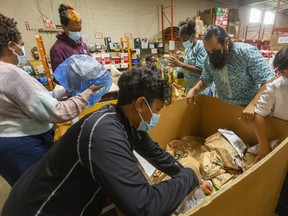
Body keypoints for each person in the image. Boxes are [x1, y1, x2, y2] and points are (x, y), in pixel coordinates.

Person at [2, 65, 212, 216]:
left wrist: (190, 176)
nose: (156, 116)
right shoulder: (104, 134)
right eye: (156, 110)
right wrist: (188, 177)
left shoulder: (124, 120)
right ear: (140, 104)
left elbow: (155, 153)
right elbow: (144, 206)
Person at [0, 13, 102, 186]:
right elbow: (57, 111)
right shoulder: (11, 73)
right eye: (22, 45)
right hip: (22, 144)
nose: (23, 49)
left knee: (25, 188)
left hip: (9, 144)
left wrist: (65, 90)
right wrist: (88, 92)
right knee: (42, 187)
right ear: (11, 46)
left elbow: (33, 99)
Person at [186, 25, 275, 124]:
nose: (211, 54)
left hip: (248, 111)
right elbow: (206, 79)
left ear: (226, 41)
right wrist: (193, 90)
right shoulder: (209, 60)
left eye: (214, 50)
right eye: (208, 51)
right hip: (225, 109)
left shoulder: (246, 53)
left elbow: (269, 80)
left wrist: (253, 105)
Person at [253, 45, 288, 215]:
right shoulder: (277, 87)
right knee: (281, 186)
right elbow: (258, 115)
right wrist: (264, 146)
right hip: (282, 147)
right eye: (284, 73)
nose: (285, 76)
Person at [169, 18, 213, 95]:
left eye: (184, 41)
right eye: (181, 40)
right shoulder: (188, 48)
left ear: (192, 36)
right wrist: (181, 60)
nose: (183, 43)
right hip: (190, 87)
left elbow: (201, 70)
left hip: (201, 90)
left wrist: (180, 64)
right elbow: (189, 62)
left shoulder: (201, 47)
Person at [50, 3, 90, 73]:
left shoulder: (83, 45)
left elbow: (91, 64)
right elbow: (58, 77)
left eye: (79, 30)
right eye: (74, 30)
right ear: (64, 27)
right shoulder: (57, 50)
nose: (77, 32)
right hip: (72, 84)